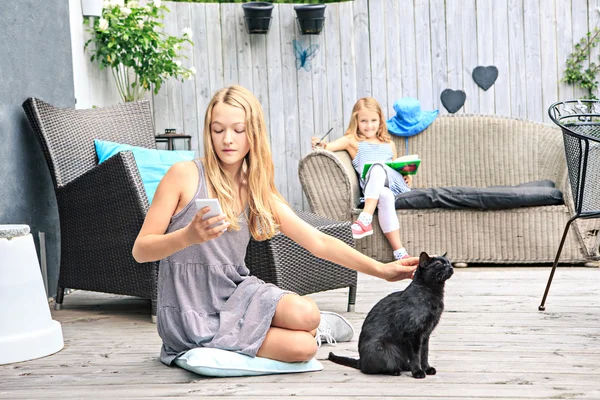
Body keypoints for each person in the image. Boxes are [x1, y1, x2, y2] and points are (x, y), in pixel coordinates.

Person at [132, 85, 418, 366]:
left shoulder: (255, 188)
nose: (227, 139)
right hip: (189, 311)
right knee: (304, 347)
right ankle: (286, 336)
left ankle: (307, 328)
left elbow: (318, 242)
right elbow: (141, 250)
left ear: (253, 133)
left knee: (309, 315)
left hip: (235, 293)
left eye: (238, 130)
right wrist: (187, 236)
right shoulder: (184, 175)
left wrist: (381, 270)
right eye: (218, 130)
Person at [312, 97, 412, 260]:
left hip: (393, 183)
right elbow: (328, 148)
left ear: (380, 120)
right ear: (356, 121)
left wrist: (406, 176)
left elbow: (394, 167)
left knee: (379, 167)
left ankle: (364, 219)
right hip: (374, 188)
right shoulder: (352, 141)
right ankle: (400, 252)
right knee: (384, 194)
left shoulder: (389, 143)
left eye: (374, 120)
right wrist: (320, 144)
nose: (369, 125)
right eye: (364, 121)